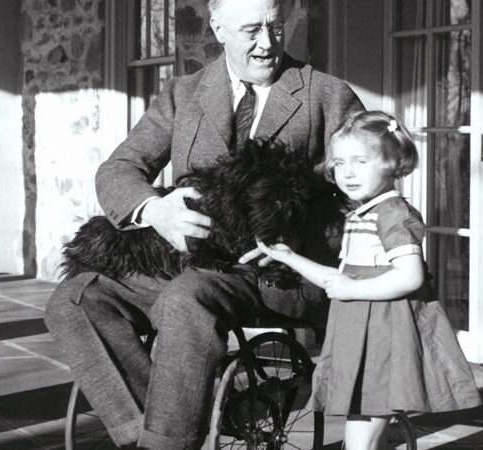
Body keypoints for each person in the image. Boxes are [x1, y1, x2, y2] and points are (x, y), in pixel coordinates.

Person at [43, 0, 364, 448]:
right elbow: (117, 170)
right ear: (218, 29)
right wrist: (156, 211)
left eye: (275, 27)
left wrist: (289, 241)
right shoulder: (183, 93)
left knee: (185, 299)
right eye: (251, 30)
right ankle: (153, 432)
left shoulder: (325, 95)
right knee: (75, 298)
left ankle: (166, 440)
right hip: (190, 261)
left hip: (277, 274)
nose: (267, 44)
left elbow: (362, 200)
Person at [254, 111, 482, 450]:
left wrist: (354, 289)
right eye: (340, 163)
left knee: (362, 432)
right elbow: (337, 280)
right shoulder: (363, 212)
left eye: (360, 161)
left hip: (384, 333)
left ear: (395, 162)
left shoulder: (393, 214)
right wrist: (288, 256)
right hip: (357, 329)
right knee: (359, 427)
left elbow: (410, 275)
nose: (348, 172)